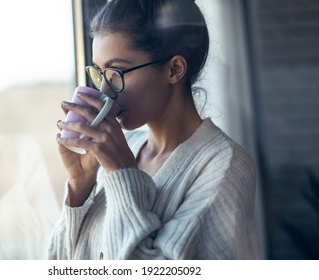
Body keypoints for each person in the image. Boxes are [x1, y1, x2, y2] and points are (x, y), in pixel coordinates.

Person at [49, 0, 259, 260]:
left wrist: (122, 174)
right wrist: (80, 184)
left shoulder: (224, 165)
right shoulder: (122, 149)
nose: (104, 91)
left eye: (117, 72)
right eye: (100, 74)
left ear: (174, 69)